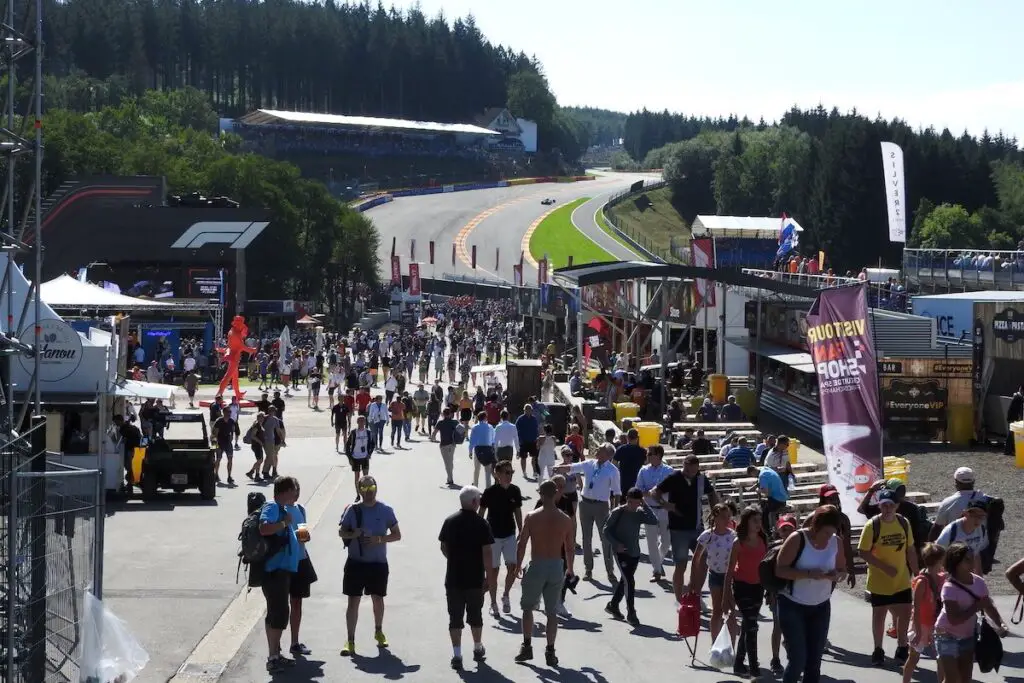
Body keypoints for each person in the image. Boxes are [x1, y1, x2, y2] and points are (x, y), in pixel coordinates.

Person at [775, 505, 847, 683]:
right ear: (815, 526)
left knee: (814, 662)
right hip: (792, 605)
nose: (828, 537)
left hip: (821, 606)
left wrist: (838, 576)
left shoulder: (836, 541)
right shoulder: (797, 538)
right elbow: (779, 570)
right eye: (825, 533)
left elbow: (842, 569)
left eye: (832, 533)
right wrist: (808, 574)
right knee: (798, 660)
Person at [337, 475, 401, 656]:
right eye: (364, 489)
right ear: (359, 490)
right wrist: (353, 533)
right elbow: (341, 531)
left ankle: (379, 631)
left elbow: (397, 535)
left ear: (376, 488)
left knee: (378, 599)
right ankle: (350, 641)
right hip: (356, 563)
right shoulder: (353, 510)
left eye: (371, 487)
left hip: (378, 563)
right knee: (353, 601)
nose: (368, 492)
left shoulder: (386, 510)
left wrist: (378, 539)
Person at [514, 480, 574, 666]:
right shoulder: (565, 519)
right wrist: (570, 568)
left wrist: (517, 566)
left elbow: (522, 543)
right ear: (556, 494)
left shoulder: (531, 517)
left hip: (537, 564)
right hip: (556, 566)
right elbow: (570, 548)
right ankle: (550, 651)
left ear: (541, 494)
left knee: (527, 608)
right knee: (552, 612)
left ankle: (527, 646)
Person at [857, 488, 919, 666]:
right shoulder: (873, 525)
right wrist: (884, 567)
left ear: (897, 506)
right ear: (880, 506)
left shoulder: (903, 522)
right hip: (879, 580)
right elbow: (863, 552)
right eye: (884, 505)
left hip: (901, 579)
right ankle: (878, 649)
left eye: (891, 505)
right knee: (879, 615)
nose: (888, 508)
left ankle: (902, 647)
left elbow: (910, 549)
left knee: (905, 613)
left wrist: (916, 572)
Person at [934, 543, 1009, 683]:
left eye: (972, 558)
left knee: (965, 679)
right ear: (956, 563)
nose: (972, 562)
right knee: (951, 679)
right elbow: (953, 619)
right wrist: (976, 607)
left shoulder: (979, 582)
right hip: (945, 635)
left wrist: (1001, 624)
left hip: (968, 636)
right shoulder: (949, 587)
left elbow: (988, 606)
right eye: (967, 560)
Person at [439, 486, 493, 670]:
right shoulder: (481, 524)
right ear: (474, 502)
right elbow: (487, 552)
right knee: (475, 615)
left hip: (453, 578)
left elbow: (443, 547)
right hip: (475, 579)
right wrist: (489, 577)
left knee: (455, 617)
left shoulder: (449, 521)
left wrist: (454, 559)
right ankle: (477, 647)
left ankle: (457, 654)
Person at [652, 454, 719, 602]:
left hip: (697, 527)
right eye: (687, 470)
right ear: (683, 466)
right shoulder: (674, 478)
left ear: (698, 468)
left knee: (702, 563)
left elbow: (712, 494)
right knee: (681, 565)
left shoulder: (701, 479)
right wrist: (665, 504)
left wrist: (716, 511)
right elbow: (655, 492)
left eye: (693, 471)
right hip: (678, 529)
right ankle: (680, 600)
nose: (690, 473)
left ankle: (692, 593)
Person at [554, 443, 621, 584]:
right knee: (586, 538)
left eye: (600, 449)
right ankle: (588, 569)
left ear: (608, 455)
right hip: (585, 504)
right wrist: (559, 468)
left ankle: (610, 571)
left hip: (601, 506)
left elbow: (616, 492)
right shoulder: (589, 463)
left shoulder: (613, 470)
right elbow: (572, 468)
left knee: (605, 539)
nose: (596, 450)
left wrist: (615, 510)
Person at [258, 476, 302, 672]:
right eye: (293, 489)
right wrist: (284, 524)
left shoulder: (282, 508)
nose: (296, 493)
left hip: (282, 570)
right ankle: (272, 657)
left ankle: (276, 653)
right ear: (285, 491)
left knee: (279, 613)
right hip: (274, 571)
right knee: (278, 614)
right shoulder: (272, 507)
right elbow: (264, 528)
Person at [602, 487, 657, 626]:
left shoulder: (639, 513)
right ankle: (631, 612)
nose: (633, 505)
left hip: (634, 552)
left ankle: (613, 605)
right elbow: (606, 531)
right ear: (627, 499)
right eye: (631, 502)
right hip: (621, 552)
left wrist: (645, 505)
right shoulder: (618, 512)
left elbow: (654, 520)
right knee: (629, 582)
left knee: (625, 580)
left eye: (637, 503)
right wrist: (616, 544)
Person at [724, 505, 768, 678]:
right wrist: (726, 596)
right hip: (742, 586)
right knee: (752, 625)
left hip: (758, 587)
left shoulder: (763, 538)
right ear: (746, 521)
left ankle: (738, 663)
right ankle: (754, 667)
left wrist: (770, 589)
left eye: (760, 520)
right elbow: (729, 570)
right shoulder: (738, 542)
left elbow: (766, 564)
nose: (758, 524)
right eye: (754, 520)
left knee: (749, 626)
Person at [479, 461, 524, 617]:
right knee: (493, 570)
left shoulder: (515, 491)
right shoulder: (489, 492)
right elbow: (481, 513)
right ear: (497, 474)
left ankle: (505, 595)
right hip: (493, 536)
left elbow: (518, 511)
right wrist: (479, 532)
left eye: (511, 472)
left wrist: (521, 529)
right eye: (506, 472)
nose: (509, 475)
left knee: (512, 567)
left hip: (510, 534)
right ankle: (493, 603)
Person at [688, 503, 737, 643]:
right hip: (715, 575)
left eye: (728, 516)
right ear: (715, 517)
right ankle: (715, 644)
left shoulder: (733, 536)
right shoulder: (707, 535)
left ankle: (731, 646)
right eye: (723, 517)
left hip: (731, 577)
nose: (727, 519)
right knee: (717, 610)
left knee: (731, 610)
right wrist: (693, 580)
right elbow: (696, 558)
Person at [902, 543, 947, 683]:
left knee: (941, 658)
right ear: (938, 560)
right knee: (913, 658)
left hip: (936, 623)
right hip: (920, 624)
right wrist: (919, 632)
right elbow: (916, 608)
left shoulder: (941, 577)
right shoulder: (922, 581)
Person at [286, 483, 318, 658]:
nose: (297, 494)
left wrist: (305, 535)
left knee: (297, 602)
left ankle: (294, 642)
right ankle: (275, 649)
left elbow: (302, 532)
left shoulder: (300, 508)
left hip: (300, 559)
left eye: (298, 490)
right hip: (285, 562)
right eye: (293, 491)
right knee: (283, 605)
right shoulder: (280, 509)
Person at [634, 444, 675, 582]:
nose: (648, 456)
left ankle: (657, 562)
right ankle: (657, 570)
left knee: (666, 541)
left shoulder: (669, 471)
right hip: (649, 508)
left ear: (658, 455)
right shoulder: (643, 471)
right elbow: (638, 490)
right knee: (651, 542)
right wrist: (650, 493)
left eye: (650, 454)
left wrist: (659, 493)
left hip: (664, 510)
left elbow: (674, 491)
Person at [935, 499, 989, 575]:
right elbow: (937, 554)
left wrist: (980, 578)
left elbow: (976, 555)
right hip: (950, 573)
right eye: (974, 515)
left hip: (967, 574)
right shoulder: (951, 530)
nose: (977, 520)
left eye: (981, 516)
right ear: (965, 513)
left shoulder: (982, 530)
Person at [745, 464, 789, 536]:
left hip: (777, 500)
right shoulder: (765, 469)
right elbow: (759, 482)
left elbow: (765, 492)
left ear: (753, 472)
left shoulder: (762, 476)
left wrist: (757, 490)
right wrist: (753, 487)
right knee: (765, 504)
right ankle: (775, 527)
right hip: (782, 497)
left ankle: (767, 532)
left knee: (761, 511)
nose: (753, 477)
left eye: (752, 475)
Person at [344, 416, 375, 502]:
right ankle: (358, 495)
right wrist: (350, 458)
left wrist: (369, 453)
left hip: (365, 457)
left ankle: (365, 494)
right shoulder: (354, 433)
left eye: (363, 421)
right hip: (355, 458)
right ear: (357, 422)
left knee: (366, 478)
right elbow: (347, 446)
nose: (361, 423)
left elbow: (372, 444)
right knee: (357, 477)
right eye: (360, 421)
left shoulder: (368, 432)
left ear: (365, 422)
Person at [431, 407, 461, 487]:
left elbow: (434, 433)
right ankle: (450, 477)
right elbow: (462, 431)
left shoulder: (440, 422)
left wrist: (433, 439)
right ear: (450, 414)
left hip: (443, 444)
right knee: (450, 461)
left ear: (443, 414)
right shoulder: (454, 422)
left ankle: (450, 478)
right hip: (452, 444)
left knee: (447, 462)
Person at [468, 411, 497, 488]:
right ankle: (488, 487)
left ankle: (475, 485)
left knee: (477, 469)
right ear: (485, 418)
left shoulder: (475, 427)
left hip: (478, 449)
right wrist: (493, 448)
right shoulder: (490, 427)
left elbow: (472, 441)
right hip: (488, 449)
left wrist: (470, 451)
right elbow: (493, 439)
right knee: (487, 470)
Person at [613, 428, 647, 493]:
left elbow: (614, 462)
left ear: (627, 438)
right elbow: (646, 464)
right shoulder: (643, 451)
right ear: (637, 438)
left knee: (623, 500)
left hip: (623, 479)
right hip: (637, 480)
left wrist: (618, 473)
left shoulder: (621, 449)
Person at [515, 404, 540, 479]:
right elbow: (516, 430)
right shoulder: (520, 419)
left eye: (529, 409)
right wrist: (519, 440)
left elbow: (537, 429)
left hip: (533, 441)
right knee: (523, 458)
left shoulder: (534, 419)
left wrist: (537, 439)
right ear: (524, 410)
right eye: (526, 409)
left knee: (534, 457)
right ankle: (524, 472)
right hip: (523, 441)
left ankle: (535, 472)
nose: (528, 411)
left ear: (531, 410)